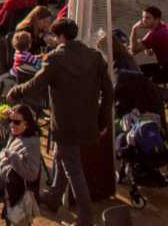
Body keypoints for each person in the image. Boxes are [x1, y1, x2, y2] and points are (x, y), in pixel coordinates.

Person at [8, 18, 114, 225]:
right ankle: (55, 195)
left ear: (61, 37)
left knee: (73, 168)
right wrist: (102, 120)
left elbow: (36, 85)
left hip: (66, 124)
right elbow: (109, 92)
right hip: (88, 121)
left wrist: (16, 92)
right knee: (63, 155)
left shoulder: (56, 59)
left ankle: (85, 219)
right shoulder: (95, 56)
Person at [130, 5, 168, 83]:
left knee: (136, 77)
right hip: (164, 66)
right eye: (143, 17)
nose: (144, 20)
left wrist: (134, 30)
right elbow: (149, 53)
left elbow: (133, 51)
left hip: (166, 69)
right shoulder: (162, 27)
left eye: (147, 18)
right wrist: (148, 47)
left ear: (156, 19)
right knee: (138, 70)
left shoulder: (155, 34)